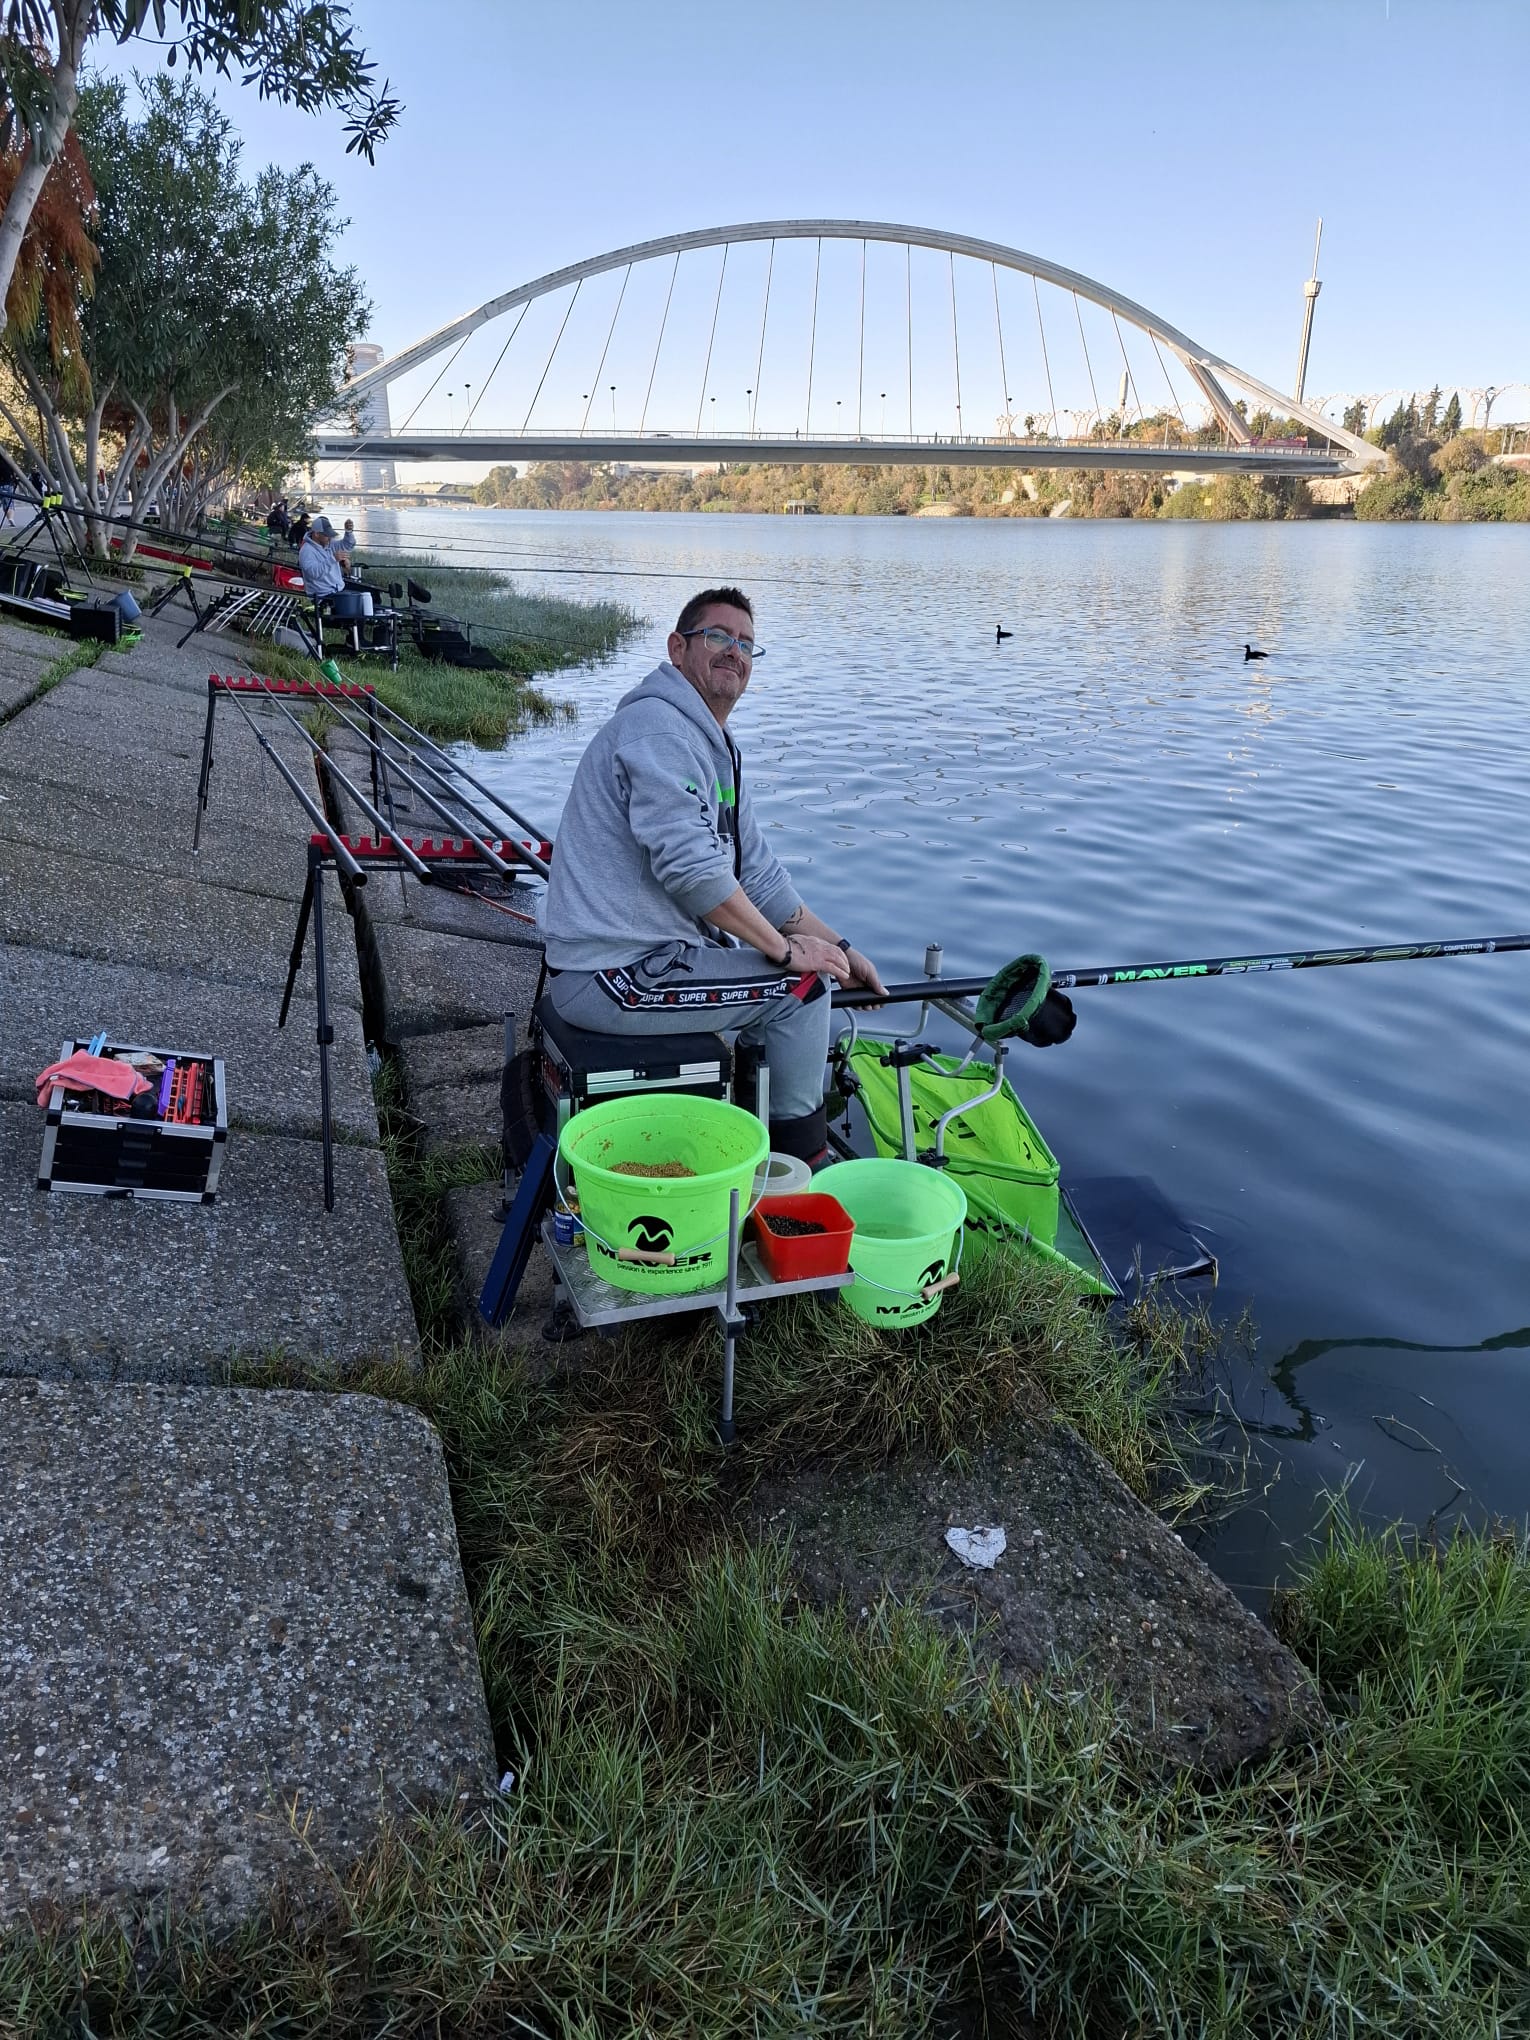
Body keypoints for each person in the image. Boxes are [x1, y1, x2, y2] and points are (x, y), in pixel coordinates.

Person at [541, 586, 885, 1162]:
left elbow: (759, 876)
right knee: (801, 990)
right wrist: (786, 952)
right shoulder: (659, 730)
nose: (734, 651)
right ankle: (795, 1168)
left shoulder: (712, 744)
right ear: (677, 649)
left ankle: (744, 1137)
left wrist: (841, 950)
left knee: (811, 971)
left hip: (647, 961)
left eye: (746, 643)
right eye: (718, 636)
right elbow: (694, 872)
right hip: (611, 975)